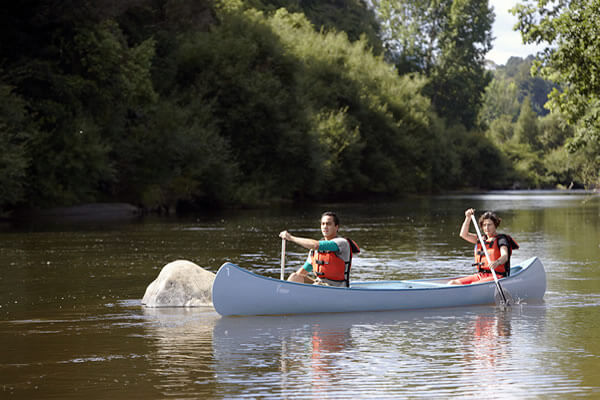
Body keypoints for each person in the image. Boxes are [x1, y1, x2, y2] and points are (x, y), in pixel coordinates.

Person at [279, 211, 359, 287]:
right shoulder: (315, 250)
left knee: (317, 285)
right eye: (323, 224)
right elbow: (302, 272)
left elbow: (316, 245)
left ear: (336, 227)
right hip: (319, 285)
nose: (325, 226)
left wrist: (291, 238)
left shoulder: (341, 243)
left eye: (328, 224)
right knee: (295, 276)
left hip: (337, 288)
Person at [449, 208, 519, 285]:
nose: (486, 228)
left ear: (495, 225)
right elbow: (463, 234)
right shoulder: (481, 239)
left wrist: (497, 262)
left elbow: (505, 256)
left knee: (474, 285)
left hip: (497, 276)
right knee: (453, 283)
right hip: (481, 275)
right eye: (484, 225)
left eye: (489, 225)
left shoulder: (501, 239)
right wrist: (468, 218)